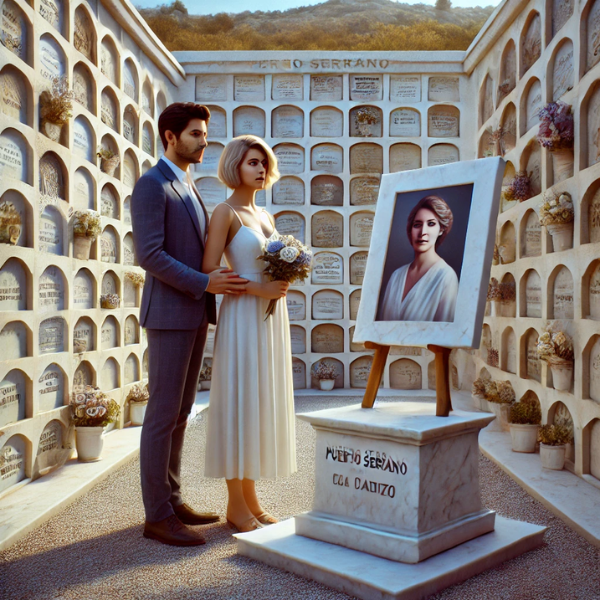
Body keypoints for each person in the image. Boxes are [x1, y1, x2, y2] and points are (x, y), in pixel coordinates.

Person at [131, 103, 248, 547]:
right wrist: (205, 282)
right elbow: (150, 255)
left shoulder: (188, 185)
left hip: (195, 312)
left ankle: (172, 499)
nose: (204, 141)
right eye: (196, 134)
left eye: (204, 134)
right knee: (162, 414)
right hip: (168, 314)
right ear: (170, 136)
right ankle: (156, 516)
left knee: (181, 413)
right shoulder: (151, 184)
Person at [202, 135, 296, 533]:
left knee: (258, 403)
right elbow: (210, 274)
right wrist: (259, 289)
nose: (260, 169)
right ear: (235, 165)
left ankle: (251, 500)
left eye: (264, 163)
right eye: (252, 162)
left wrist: (284, 280)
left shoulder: (266, 216)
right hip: (242, 315)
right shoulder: (225, 212)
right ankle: (235, 506)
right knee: (239, 402)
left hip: (270, 319)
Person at [379, 195, 458, 322]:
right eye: (417, 225)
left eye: (431, 224)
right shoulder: (396, 276)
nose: (423, 232)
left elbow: (444, 336)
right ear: (410, 229)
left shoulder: (446, 277)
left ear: (441, 229)